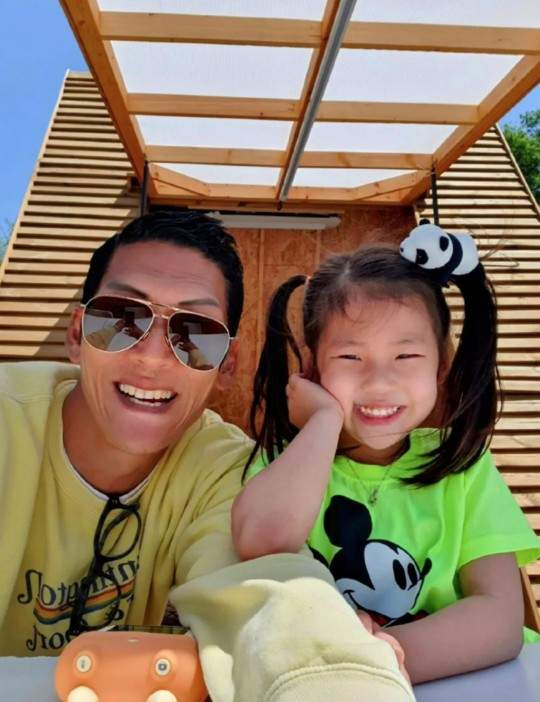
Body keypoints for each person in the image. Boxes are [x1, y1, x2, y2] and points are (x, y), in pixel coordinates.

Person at [0, 210, 414, 702]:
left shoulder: (223, 469)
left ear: (226, 366)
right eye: (121, 318)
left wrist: (339, 668)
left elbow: (271, 596)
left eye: (195, 334)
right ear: (77, 335)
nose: (152, 357)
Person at [232, 222, 540, 684]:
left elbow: (499, 620)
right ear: (313, 367)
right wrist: (323, 421)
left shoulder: (464, 468)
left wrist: (374, 659)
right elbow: (259, 542)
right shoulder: (284, 463)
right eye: (350, 358)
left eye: (406, 357)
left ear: (440, 363)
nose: (378, 381)